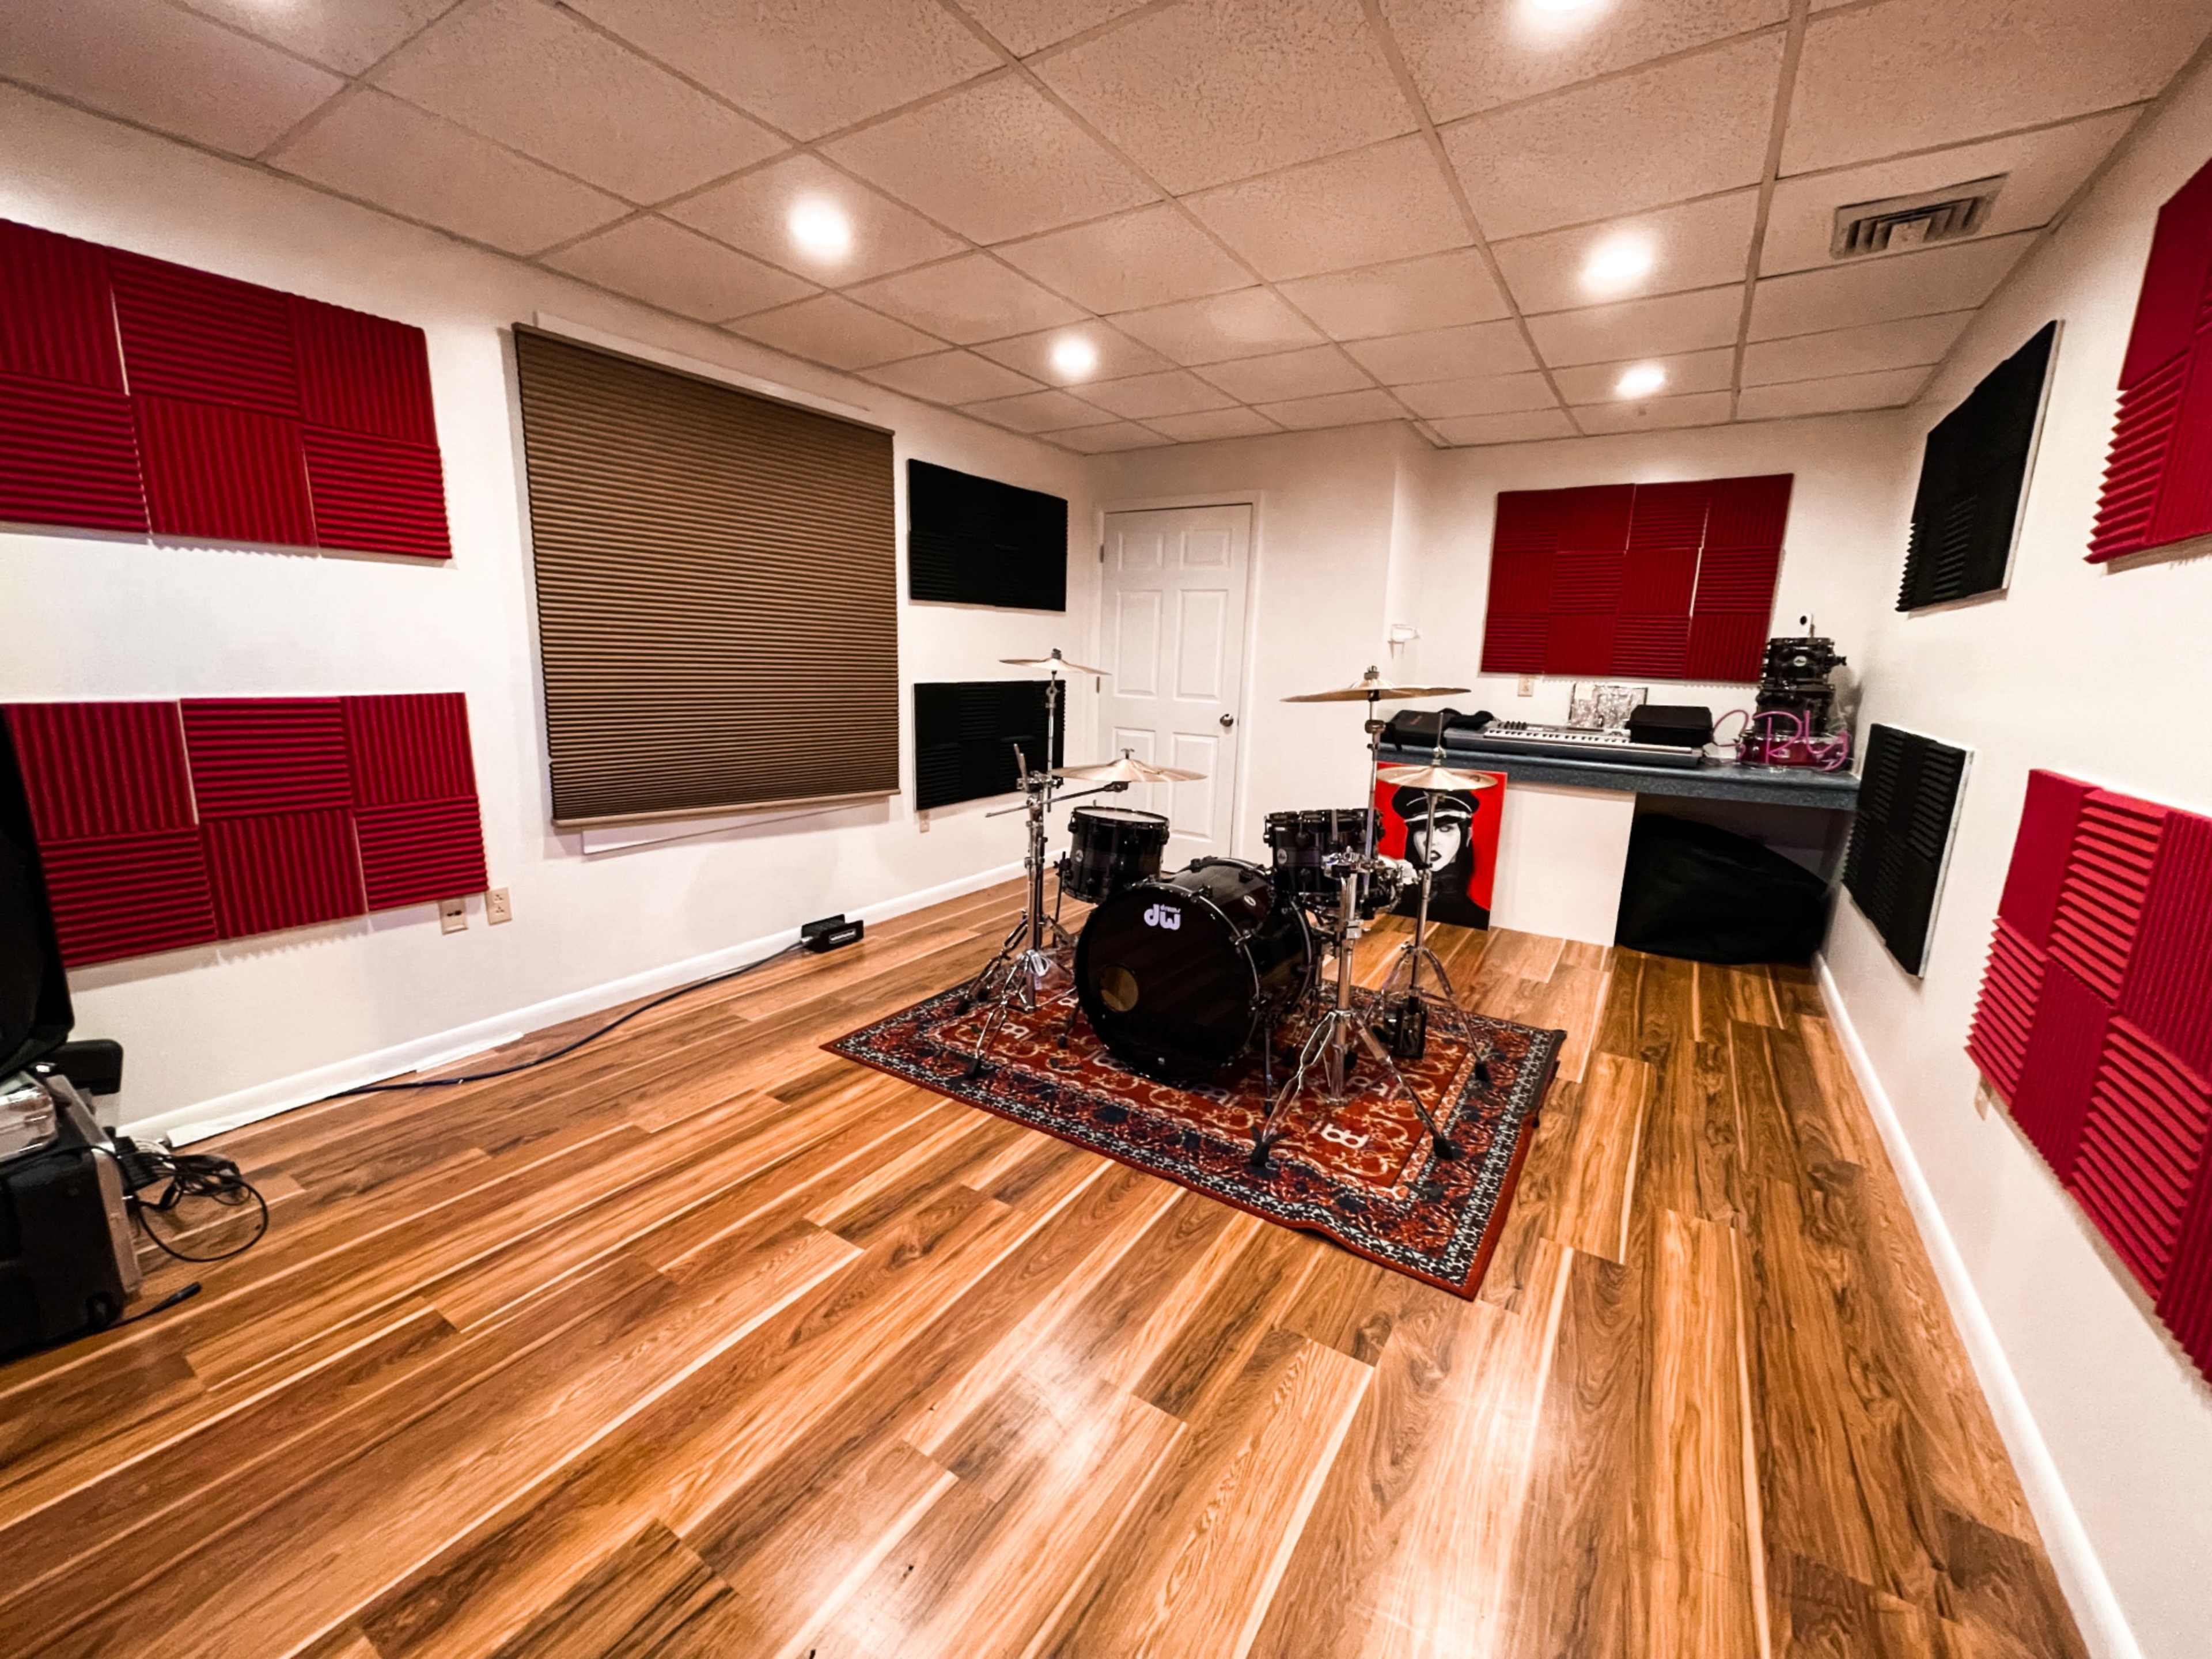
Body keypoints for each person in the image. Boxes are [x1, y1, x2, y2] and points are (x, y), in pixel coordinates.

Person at [1391, 785, 1488, 929]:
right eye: (1422, 829)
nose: (1431, 841)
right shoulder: (1395, 909)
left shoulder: (1479, 920)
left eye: (1445, 829)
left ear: (1467, 835)